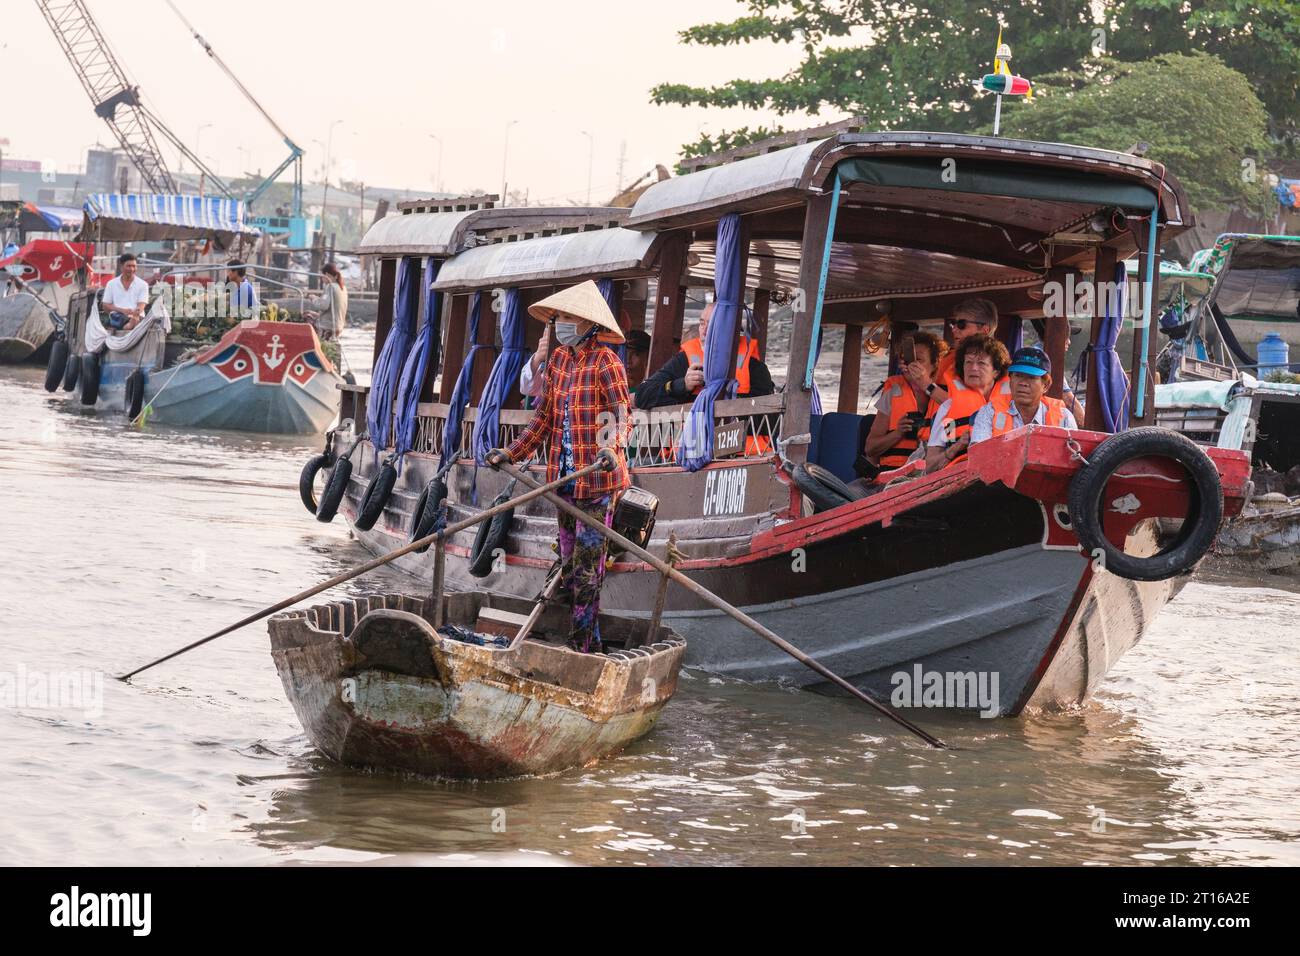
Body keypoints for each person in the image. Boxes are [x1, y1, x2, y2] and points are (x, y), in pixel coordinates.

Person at [486, 280, 631, 654]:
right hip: (564, 482)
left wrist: (611, 447)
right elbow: (545, 420)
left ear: (587, 323)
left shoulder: (607, 362)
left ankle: (579, 649)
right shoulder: (560, 361)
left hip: (597, 480)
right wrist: (511, 453)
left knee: (586, 571)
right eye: (558, 319)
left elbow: (622, 415)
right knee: (571, 568)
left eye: (566, 318)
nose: (560, 325)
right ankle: (593, 644)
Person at [633, 302, 773, 409]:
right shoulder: (685, 361)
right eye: (701, 324)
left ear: (731, 330)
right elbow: (642, 396)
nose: (704, 331)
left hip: (743, 446)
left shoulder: (754, 368)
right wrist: (682, 385)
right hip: (691, 446)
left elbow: (767, 415)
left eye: (712, 325)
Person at [925, 333, 1011, 471]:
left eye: (981, 363)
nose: (973, 368)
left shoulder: (1014, 407)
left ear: (996, 371)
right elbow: (930, 466)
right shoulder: (948, 410)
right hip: (960, 474)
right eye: (968, 362)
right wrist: (956, 447)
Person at [864, 330, 946, 469]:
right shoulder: (893, 393)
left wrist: (924, 383)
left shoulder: (945, 394)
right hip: (893, 474)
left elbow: (957, 408)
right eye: (907, 359)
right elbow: (870, 448)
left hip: (930, 474)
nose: (911, 365)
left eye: (918, 360)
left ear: (935, 364)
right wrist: (898, 433)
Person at [970, 346, 1077, 442]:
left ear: (1045, 385)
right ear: (1010, 380)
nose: (1023, 383)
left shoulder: (1064, 417)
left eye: (1031, 377)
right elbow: (978, 456)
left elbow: (1075, 459)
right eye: (1018, 375)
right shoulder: (989, 413)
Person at [932, 298, 997, 403]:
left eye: (961, 324)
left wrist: (924, 383)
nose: (954, 329)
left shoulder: (996, 364)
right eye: (953, 323)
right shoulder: (947, 359)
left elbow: (965, 405)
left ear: (984, 330)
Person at [101, 253, 150, 331]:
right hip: (117, 317)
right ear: (121, 267)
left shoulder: (143, 285)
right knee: (118, 320)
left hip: (136, 317)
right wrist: (122, 310)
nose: (131, 269)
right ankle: (129, 325)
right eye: (129, 266)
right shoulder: (111, 284)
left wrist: (135, 313)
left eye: (134, 266)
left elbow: (141, 305)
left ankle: (130, 324)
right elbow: (105, 306)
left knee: (137, 320)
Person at [304, 262, 348, 340]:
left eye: (322, 276)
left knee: (306, 315)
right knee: (310, 313)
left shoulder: (330, 286)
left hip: (328, 326)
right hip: (339, 325)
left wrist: (313, 298)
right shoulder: (342, 288)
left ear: (327, 274)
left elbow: (323, 306)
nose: (322, 278)